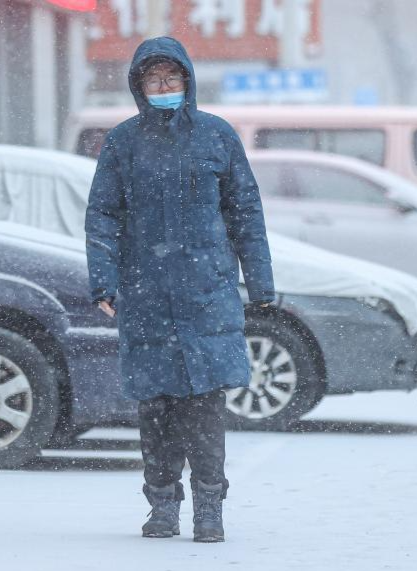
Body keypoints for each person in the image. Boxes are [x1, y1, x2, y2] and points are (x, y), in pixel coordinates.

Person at [84, 37, 275, 543]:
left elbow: (245, 213)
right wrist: (103, 279)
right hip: (146, 295)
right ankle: (162, 505)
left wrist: (261, 282)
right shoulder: (123, 142)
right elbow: (103, 213)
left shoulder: (216, 136)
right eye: (154, 80)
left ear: (187, 81)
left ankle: (209, 507)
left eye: (172, 78)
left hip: (206, 294)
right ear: (139, 86)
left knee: (205, 409)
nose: (164, 87)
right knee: (157, 408)